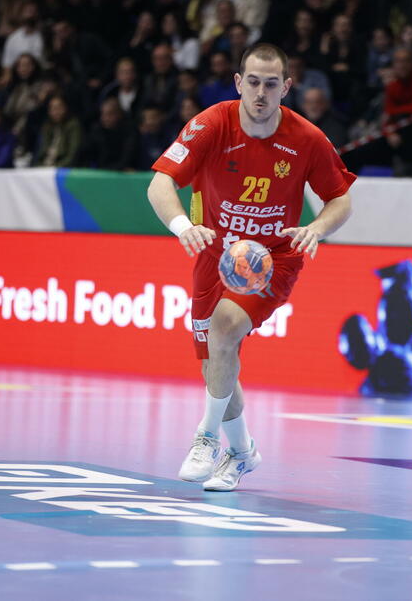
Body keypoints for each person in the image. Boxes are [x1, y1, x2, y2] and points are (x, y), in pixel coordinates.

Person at [147, 44, 355, 491]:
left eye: (271, 84)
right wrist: (182, 225)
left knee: (224, 329)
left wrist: (316, 228)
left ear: (287, 87)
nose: (261, 93)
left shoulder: (307, 139)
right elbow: (160, 184)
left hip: (271, 258)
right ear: (239, 82)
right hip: (214, 253)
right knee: (216, 362)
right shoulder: (210, 124)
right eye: (254, 82)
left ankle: (206, 436)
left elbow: (340, 199)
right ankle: (242, 453)